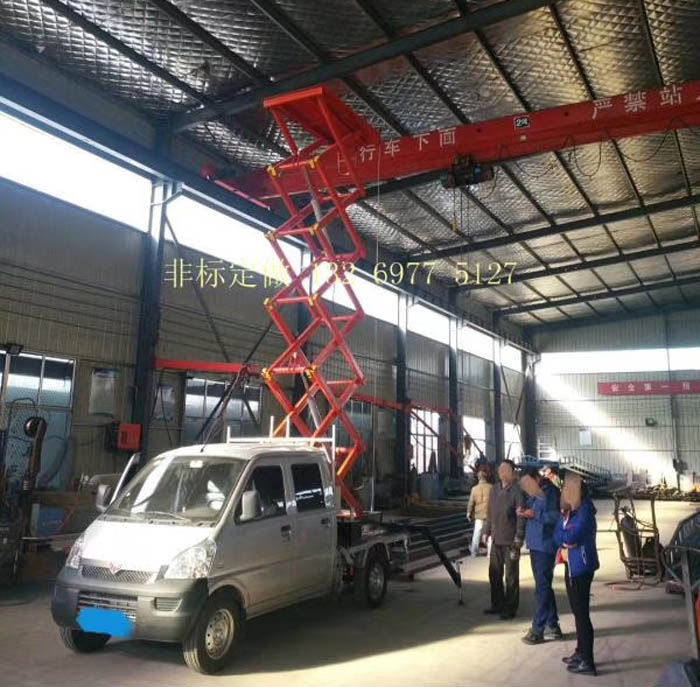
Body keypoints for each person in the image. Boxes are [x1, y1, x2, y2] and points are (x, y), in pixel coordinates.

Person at [554, 474, 600, 677]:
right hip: (571, 565)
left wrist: (566, 539)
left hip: (581, 567)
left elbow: (573, 536)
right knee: (576, 611)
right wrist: (565, 541)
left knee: (582, 614)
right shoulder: (570, 511)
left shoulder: (585, 511)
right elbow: (557, 535)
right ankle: (580, 652)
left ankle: (588, 661)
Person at [518, 468, 563, 644]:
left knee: (542, 588)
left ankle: (538, 629)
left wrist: (535, 514)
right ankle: (553, 625)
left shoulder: (550, 493)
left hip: (545, 545)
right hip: (536, 544)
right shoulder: (536, 494)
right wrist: (524, 510)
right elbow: (532, 507)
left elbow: (555, 516)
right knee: (543, 586)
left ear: (537, 478)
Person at [482, 459, 525, 619]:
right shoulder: (494, 490)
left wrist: (519, 538)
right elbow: (489, 513)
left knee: (511, 577)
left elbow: (521, 517)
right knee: (494, 574)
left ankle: (510, 607)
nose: (502, 473)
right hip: (496, 540)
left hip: (511, 541)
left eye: (506, 470)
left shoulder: (517, 491)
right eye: (501, 470)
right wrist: (486, 531)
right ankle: (497, 604)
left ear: (512, 473)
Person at [467, 468, 492, 557]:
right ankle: (490, 553)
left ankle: (474, 552)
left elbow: (471, 502)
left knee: (477, 534)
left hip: (479, 515)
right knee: (490, 534)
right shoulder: (491, 488)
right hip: (489, 515)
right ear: (486, 477)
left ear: (478, 478)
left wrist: (469, 513)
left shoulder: (474, 489)